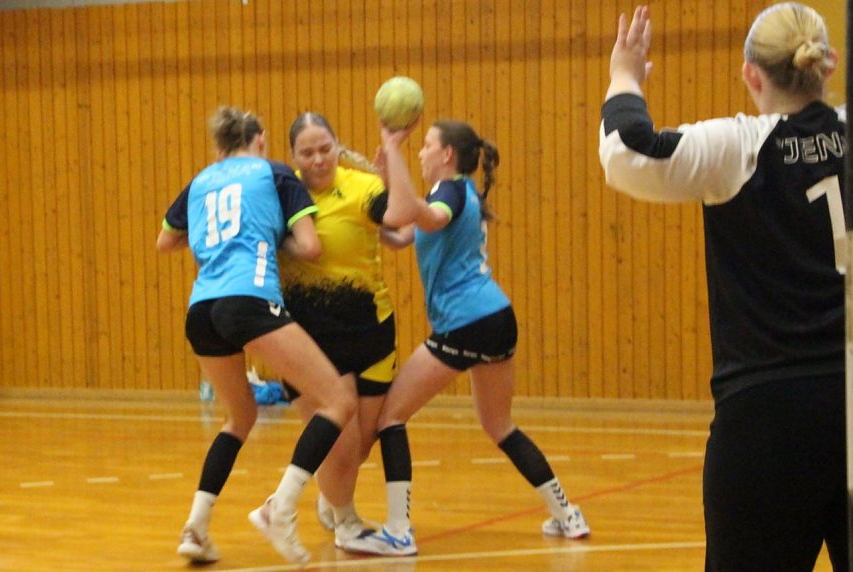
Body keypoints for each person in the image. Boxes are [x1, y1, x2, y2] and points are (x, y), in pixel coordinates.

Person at [599, 4, 848, 570]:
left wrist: (625, 76)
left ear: (750, 75)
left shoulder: (736, 146)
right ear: (828, 64)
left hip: (768, 418)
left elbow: (626, 150)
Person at [344, 118, 591, 556]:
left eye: (425, 145)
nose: (420, 152)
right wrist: (369, 210)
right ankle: (567, 514)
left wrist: (392, 153)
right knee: (499, 425)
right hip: (494, 317)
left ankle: (399, 531)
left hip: (466, 321)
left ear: (447, 155)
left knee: (389, 417)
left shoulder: (452, 191)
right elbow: (401, 232)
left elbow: (425, 217)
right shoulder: (457, 192)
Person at [156, 106, 356, 566]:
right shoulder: (276, 173)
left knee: (239, 417)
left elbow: (165, 241)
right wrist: (267, 233)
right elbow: (310, 246)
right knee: (337, 401)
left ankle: (196, 527)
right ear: (261, 140)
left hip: (202, 309)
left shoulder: (201, 181)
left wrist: (215, 239)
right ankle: (280, 509)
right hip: (249, 299)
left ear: (220, 146)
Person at [271, 111, 399, 550]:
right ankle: (347, 520)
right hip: (311, 342)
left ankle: (333, 499)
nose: (319, 159)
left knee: (360, 445)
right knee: (340, 448)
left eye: (326, 148)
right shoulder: (282, 195)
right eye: (307, 152)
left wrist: (391, 173)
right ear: (293, 157)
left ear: (338, 145)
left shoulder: (363, 186)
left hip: (371, 331)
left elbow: (398, 223)